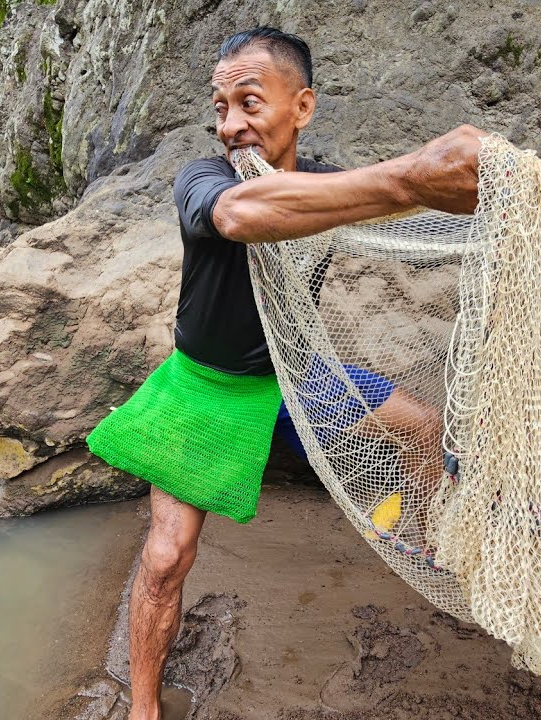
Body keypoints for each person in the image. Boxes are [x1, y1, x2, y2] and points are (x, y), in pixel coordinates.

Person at [86, 26, 502, 720]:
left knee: (423, 427)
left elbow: (419, 203)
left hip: (296, 381)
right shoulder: (205, 181)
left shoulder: (327, 182)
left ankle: (432, 543)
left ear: (301, 108)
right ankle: (144, 709)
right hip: (205, 392)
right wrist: (408, 176)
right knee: (165, 559)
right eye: (219, 108)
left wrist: (528, 206)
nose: (230, 125)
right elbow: (244, 216)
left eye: (249, 102)